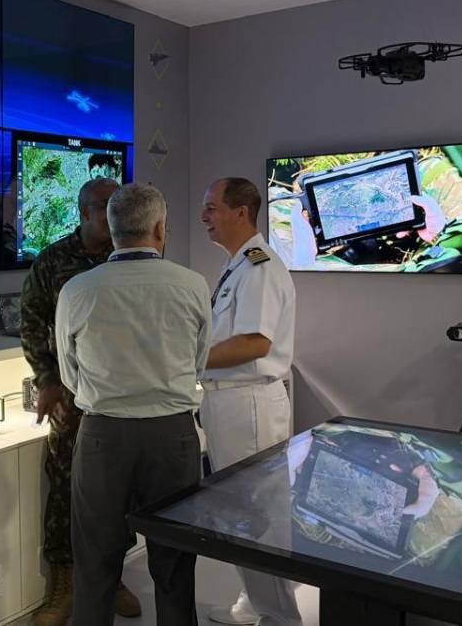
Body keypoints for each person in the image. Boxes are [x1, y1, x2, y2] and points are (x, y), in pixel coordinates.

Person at [50, 182, 211, 626]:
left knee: (94, 563)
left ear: (112, 228)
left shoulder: (78, 290)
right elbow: (198, 361)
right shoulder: (192, 285)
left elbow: (69, 373)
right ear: (160, 228)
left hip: (102, 437)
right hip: (172, 436)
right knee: (175, 564)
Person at [19, 177, 141, 626]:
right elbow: (32, 323)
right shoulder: (53, 261)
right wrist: (48, 381)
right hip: (72, 395)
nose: (114, 213)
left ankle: (113, 577)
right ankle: (64, 583)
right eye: (106, 205)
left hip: (121, 393)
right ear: (84, 212)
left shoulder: (129, 258)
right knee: (67, 487)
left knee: (119, 487)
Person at [199, 178, 301, 626]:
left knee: (259, 516)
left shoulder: (258, 266)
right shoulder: (238, 264)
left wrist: (187, 358)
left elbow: (255, 343)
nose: (203, 216)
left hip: (248, 405)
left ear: (240, 212)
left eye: (212, 207)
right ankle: (255, 602)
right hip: (230, 403)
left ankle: (280, 618)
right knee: (241, 513)